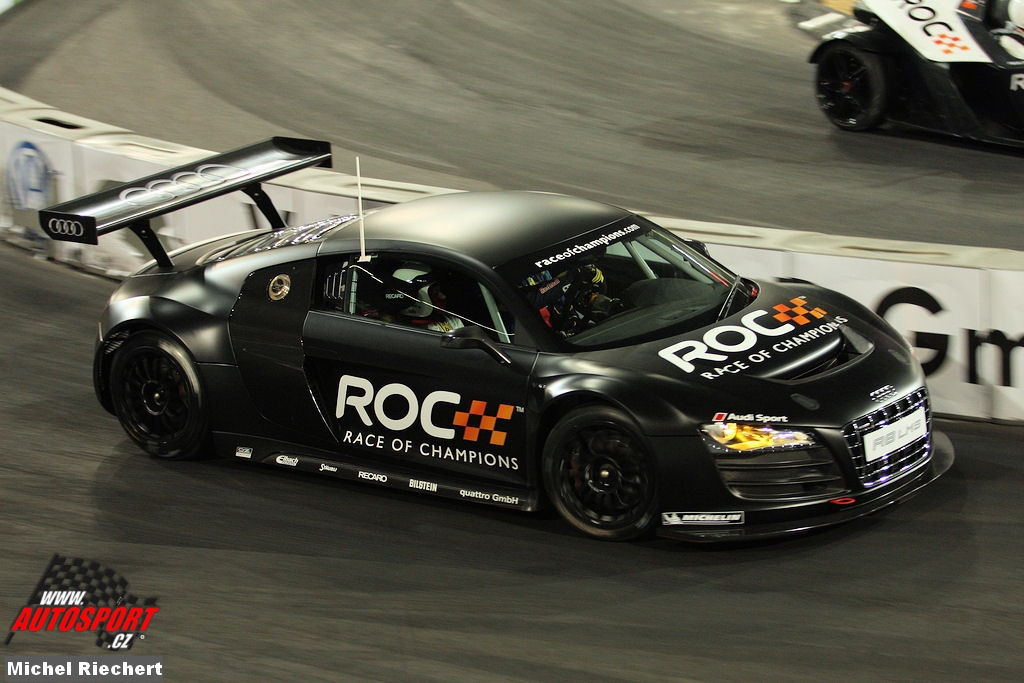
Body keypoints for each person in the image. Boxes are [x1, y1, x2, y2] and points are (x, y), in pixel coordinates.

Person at [390, 263, 465, 333]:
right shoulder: (394, 331)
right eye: (435, 292)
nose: (443, 296)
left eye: (440, 290)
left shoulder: (453, 322)